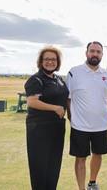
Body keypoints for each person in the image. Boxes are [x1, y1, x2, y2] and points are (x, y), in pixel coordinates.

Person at [66, 41, 107, 190]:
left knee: (98, 154)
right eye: (92, 51)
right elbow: (67, 97)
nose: (95, 54)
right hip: (80, 125)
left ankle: (92, 182)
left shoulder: (105, 74)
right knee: (80, 158)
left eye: (98, 52)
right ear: (86, 53)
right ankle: (81, 188)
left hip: (101, 125)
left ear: (102, 55)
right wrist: (70, 116)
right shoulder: (74, 72)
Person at [24, 46, 69, 190]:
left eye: (53, 59)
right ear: (41, 61)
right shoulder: (36, 80)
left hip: (57, 128)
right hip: (39, 129)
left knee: (53, 166)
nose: (50, 62)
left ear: (58, 62)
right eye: (47, 59)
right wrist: (55, 108)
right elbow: (32, 101)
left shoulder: (59, 79)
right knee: (40, 167)